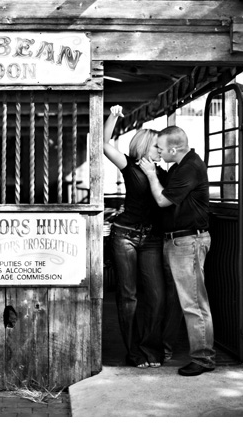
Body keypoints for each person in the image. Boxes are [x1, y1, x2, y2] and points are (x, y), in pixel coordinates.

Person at [138, 125, 215, 376]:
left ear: (173, 148)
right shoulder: (180, 167)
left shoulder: (190, 167)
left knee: (193, 302)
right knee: (186, 301)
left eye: (160, 147)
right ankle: (187, 352)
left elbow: (162, 200)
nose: (159, 151)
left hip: (188, 242)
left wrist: (150, 175)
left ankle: (203, 358)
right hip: (178, 241)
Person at [102, 105, 166, 368]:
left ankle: (151, 349)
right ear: (144, 147)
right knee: (128, 297)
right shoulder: (129, 165)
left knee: (156, 296)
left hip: (151, 239)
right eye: (157, 147)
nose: (161, 152)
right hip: (124, 236)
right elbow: (102, 143)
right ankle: (134, 353)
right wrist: (114, 116)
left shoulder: (163, 174)